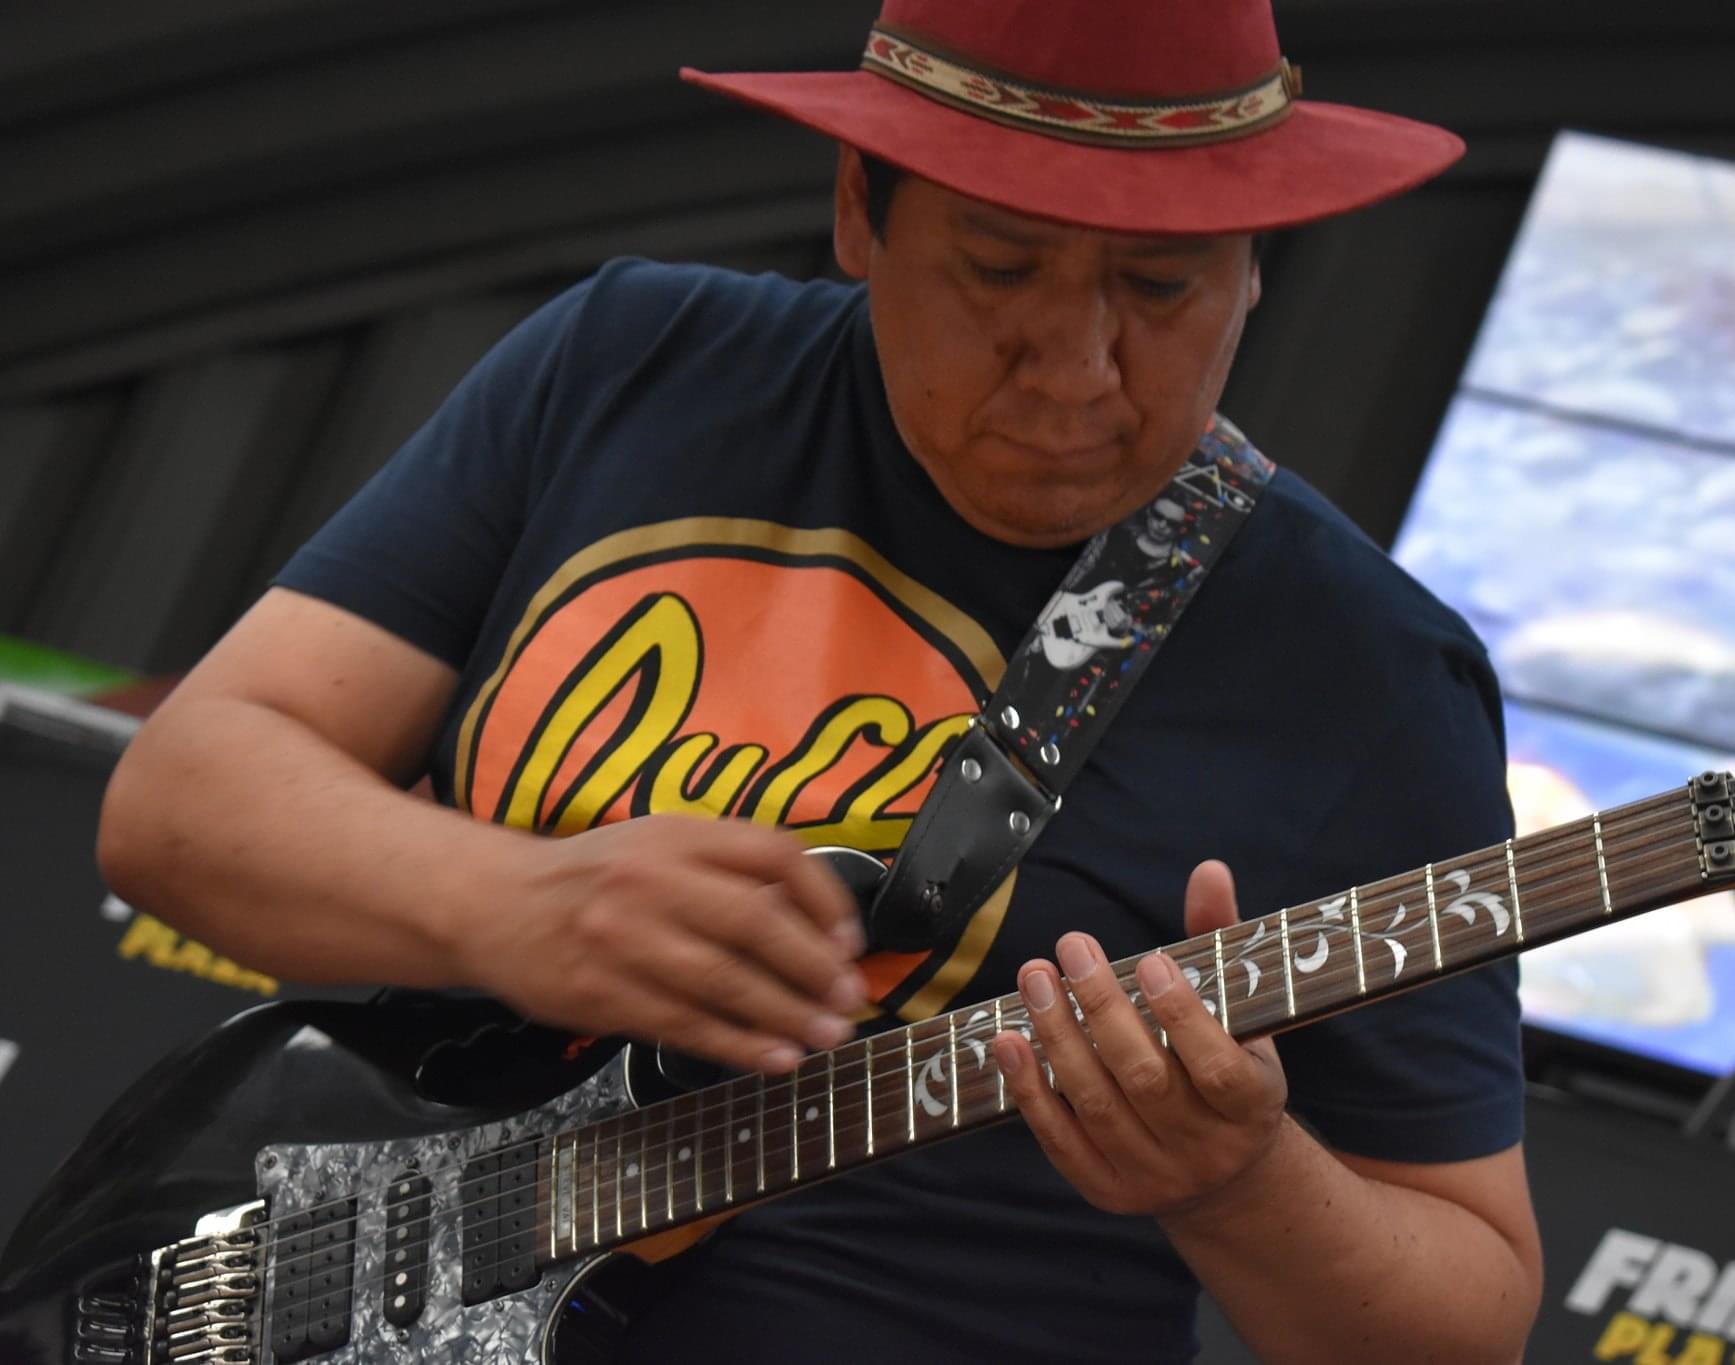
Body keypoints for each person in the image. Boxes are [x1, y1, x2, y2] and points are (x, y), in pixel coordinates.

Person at [96, 0, 1543, 1360]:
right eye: (1001, 270)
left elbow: (1470, 1312)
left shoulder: (1371, 669)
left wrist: (1240, 1182)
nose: (1078, 368)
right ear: (862, 206)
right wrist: (511, 903)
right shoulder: (634, 363)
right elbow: (179, 803)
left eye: (1163, 287)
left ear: (1255, 263)